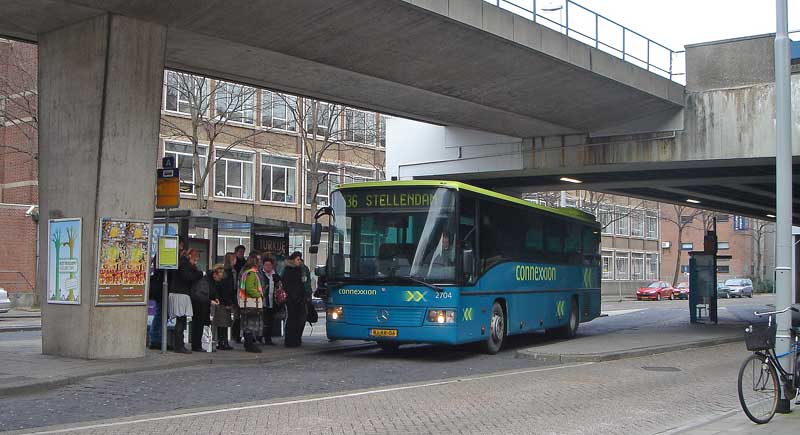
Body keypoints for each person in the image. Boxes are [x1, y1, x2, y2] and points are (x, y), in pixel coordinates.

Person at [169, 248, 202, 353]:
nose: (196, 262)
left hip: (179, 292)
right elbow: (188, 278)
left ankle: (179, 344)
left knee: (181, 320)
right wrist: (199, 273)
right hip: (181, 293)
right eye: (195, 259)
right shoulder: (184, 265)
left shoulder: (183, 264)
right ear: (190, 256)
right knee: (181, 320)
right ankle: (179, 345)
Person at [189, 262, 220, 352]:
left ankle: (204, 345)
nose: (219, 279)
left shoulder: (210, 280)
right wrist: (211, 300)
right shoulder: (205, 280)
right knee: (198, 324)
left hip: (204, 305)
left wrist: (215, 298)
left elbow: (210, 293)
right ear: (215, 274)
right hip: (199, 305)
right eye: (219, 276)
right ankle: (197, 345)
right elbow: (200, 295)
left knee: (203, 324)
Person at [238, 254, 264, 353]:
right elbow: (249, 288)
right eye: (259, 261)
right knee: (251, 324)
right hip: (252, 303)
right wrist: (259, 295)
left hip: (245, 302)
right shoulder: (252, 274)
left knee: (246, 323)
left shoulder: (246, 273)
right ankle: (249, 344)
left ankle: (248, 343)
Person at [281, 251, 307, 348]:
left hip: (298, 299)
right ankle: (290, 340)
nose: (299, 261)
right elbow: (288, 285)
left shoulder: (299, 270)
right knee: (292, 320)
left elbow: (300, 285)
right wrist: (293, 296)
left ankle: (295, 340)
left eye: (300, 259)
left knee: (297, 320)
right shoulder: (288, 270)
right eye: (298, 259)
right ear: (293, 260)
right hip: (292, 299)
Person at [215, 253, 238, 351]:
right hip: (224, 302)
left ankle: (222, 342)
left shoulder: (226, 272)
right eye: (234, 259)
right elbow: (227, 289)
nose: (236, 261)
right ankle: (223, 342)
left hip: (222, 301)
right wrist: (229, 302)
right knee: (224, 323)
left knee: (223, 323)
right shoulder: (228, 273)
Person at [258, 257, 282, 345]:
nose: (268, 267)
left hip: (273, 301)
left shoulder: (275, 275)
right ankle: (260, 337)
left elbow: (279, 285)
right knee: (263, 321)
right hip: (263, 301)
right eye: (266, 265)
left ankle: (268, 339)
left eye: (269, 265)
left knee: (271, 321)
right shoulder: (260, 274)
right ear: (263, 266)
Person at [147, 256, 164, 350]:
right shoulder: (161, 259)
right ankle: (155, 339)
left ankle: (157, 339)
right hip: (160, 290)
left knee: (160, 314)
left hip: (160, 289)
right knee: (160, 314)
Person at [231, 244, 247, 343]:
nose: (242, 254)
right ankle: (236, 335)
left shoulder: (244, 263)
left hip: (242, 291)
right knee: (237, 315)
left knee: (242, 315)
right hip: (236, 291)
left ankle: (239, 335)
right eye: (240, 252)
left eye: (243, 252)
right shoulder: (234, 264)